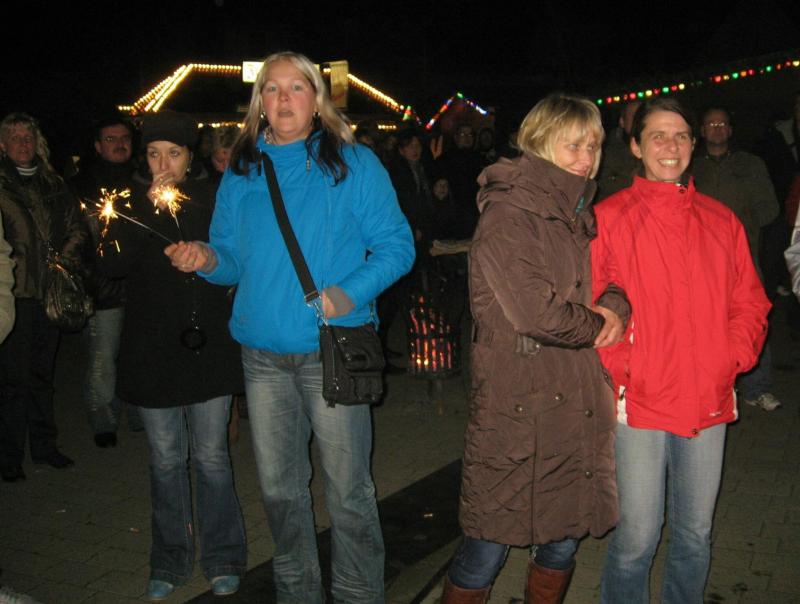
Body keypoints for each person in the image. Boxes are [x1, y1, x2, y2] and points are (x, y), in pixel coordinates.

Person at [165, 51, 414, 603]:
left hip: (332, 349)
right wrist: (206, 259)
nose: (283, 99)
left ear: (317, 99)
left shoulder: (352, 163)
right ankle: (298, 592)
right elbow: (231, 258)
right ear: (259, 103)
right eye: (272, 89)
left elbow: (397, 246)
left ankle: (357, 595)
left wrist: (347, 294)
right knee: (280, 493)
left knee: (348, 494)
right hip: (262, 357)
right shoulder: (243, 171)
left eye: (296, 87)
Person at [442, 93, 629, 604]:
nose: (586, 158)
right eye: (573, 146)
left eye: (592, 146)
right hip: (519, 403)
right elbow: (536, 313)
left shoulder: (576, 211)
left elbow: (610, 276)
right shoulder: (509, 213)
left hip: (575, 395)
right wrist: (599, 324)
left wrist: (616, 306)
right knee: (488, 542)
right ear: (540, 143)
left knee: (562, 539)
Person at [592, 97, 771, 603]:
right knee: (637, 537)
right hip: (640, 400)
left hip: (708, 397)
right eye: (657, 135)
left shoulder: (721, 220)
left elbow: (750, 302)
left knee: (694, 535)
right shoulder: (610, 218)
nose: (670, 146)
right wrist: (627, 365)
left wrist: (729, 359)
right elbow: (592, 307)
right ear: (635, 146)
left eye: (680, 135)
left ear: (693, 144)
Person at [99, 111, 246, 600]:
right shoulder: (127, 202)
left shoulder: (214, 197)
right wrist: (147, 209)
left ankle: (223, 557)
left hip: (208, 346)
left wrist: (206, 256)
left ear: (190, 157)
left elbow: (235, 257)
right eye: (154, 153)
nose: (163, 164)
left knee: (211, 456)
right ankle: (169, 559)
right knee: (165, 459)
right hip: (152, 349)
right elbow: (111, 262)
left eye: (174, 154)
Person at [0, 112, 84, 483]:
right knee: (13, 379)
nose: (23, 143)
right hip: (13, 293)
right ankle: (9, 455)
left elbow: (76, 228)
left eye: (28, 136)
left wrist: (63, 260)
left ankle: (44, 446)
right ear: (2, 144)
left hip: (49, 291)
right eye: (15, 137)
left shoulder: (54, 183)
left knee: (42, 374)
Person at [693, 106, 782, 412]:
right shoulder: (691, 167)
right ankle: (711, 385)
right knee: (703, 321)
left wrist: (738, 228)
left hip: (742, 256)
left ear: (730, 130)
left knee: (752, 318)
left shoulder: (750, 164)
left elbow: (770, 207)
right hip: (699, 259)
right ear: (701, 132)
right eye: (710, 124)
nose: (717, 128)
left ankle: (758, 387)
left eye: (722, 124)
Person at [70, 116, 142, 446]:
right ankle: (103, 418)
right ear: (98, 146)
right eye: (111, 139)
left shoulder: (143, 179)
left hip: (139, 284)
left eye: (124, 137)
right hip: (101, 286)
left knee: (136, 352)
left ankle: (138, 409)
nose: (119, 144)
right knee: (103, 356)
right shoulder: (81, 185)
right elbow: (76, 240)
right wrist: (90, 280)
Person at [596, 100, 641, 201]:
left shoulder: (657, 150)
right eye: (634, 116)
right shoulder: (605, 153)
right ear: (622, 121)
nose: (639, 121)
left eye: (643, 116)